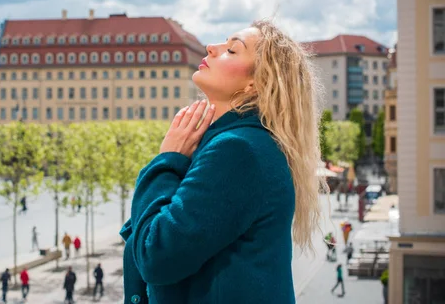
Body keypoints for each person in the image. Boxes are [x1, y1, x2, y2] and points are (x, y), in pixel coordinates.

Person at [120, 20, 328, 303]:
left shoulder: (238, 151)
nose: (211, 47)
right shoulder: (242, 144)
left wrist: (167, 159)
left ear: (254, 84)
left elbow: (156, 255)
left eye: (232, 50)